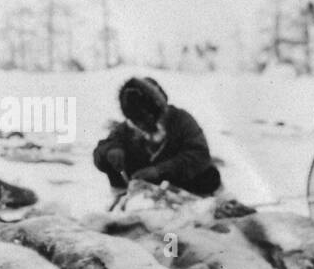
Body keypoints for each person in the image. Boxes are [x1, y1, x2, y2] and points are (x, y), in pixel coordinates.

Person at [93, 76, 222, 197]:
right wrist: (110, 151)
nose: (142, 126)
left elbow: (200, 154)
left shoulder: (181, 119)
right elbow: (103, 150)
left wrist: (158, 170)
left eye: (146, 119)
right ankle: (124, 201)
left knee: (209, 176)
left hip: (181, 184)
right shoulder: (126, 129)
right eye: (137, 121)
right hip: (140, 189)